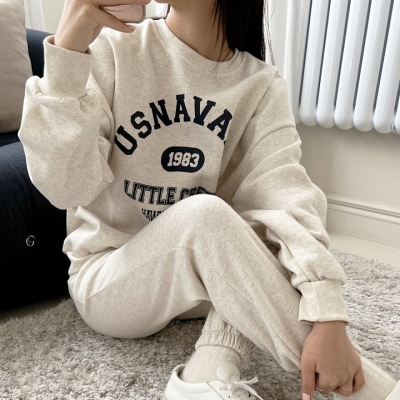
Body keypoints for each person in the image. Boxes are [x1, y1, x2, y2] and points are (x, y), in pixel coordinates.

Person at [18, 0, 399, 399]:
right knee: (206, 216)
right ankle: (369, 389)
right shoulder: (113, 48)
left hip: (206, 283)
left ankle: (208, 368)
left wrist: (327, 311)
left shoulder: (260, 83)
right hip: (112, 281)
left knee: (280, 225)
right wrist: (66, 56)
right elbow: (66, 190)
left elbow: (286, 196)